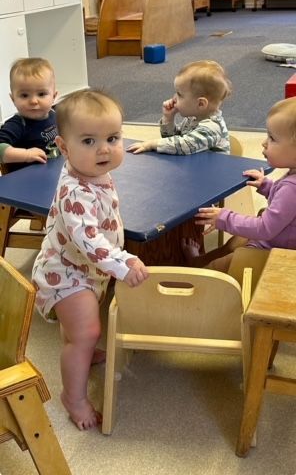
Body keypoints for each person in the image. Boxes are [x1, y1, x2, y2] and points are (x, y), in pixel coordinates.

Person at [32, 89, 149, 431]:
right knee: (87, 331)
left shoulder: (94, 173)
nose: (104, 149)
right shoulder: (75, 191)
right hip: (64, 273)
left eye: (113, 138)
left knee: (80, 329)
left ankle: (80, 347)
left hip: (87, 270)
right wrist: (123, 261)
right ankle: (74, 397)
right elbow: (89, 241)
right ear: (64, 148)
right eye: (89, 140)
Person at [182, 97, 296, 273]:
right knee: (236, 241)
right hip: (278, 239)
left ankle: (200, 273)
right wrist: (267, 186)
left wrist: (224, 218)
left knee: (219, 268)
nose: (264, 142)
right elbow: (288, 206)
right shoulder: (291, 181)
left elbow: (264, 228)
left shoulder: (291, 188)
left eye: (272, 138)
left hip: (276, 252)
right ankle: (199, 261)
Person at [127, 60, 231, 155]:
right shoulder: (192, 118)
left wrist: (151, 144)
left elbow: (183, 146)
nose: (174, 98)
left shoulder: (212, 127)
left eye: (180, 94)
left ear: (201, 104)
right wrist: (168, 119)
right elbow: (172, 141)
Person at [0, 57, 58, 171]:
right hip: (27, 180)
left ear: (54, 97)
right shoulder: (17, 124)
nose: (33, 101)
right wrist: (26, 155)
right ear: (13, 99)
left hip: (54, 171)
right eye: (24, 95)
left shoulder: (53, 114)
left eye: (41, 94)